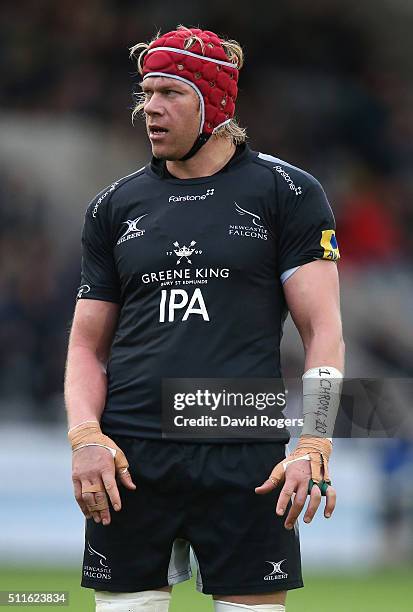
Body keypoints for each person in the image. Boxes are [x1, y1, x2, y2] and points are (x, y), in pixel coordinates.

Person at [65, 25, 344, 612]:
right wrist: (85, 437)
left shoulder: (288, 193)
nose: (150, 109)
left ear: (215, 103)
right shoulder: (113, 206)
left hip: (246, 454)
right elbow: (86, 347)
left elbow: (323, 331)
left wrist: (315, 441)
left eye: (170, 93)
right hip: (130, 461)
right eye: (146, 93)